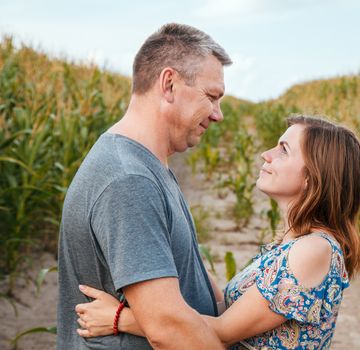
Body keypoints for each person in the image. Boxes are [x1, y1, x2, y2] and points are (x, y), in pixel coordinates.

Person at [75, 115, 360, 349]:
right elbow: (225, 309)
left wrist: (119, 319)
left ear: (312, 177)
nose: (267, 155)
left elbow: (221, 333)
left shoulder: (314, 250)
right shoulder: (293, 245)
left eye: (283, 150)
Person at [57, 23, 232, 349]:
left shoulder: (149, 165)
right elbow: (167, 328)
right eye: (211, 97)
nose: (218, 114)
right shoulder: (128, 180)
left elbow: (180, 268)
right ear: (169, 84)